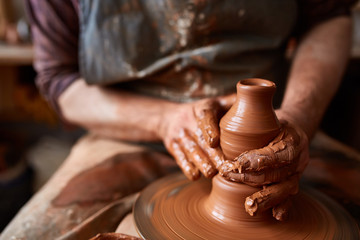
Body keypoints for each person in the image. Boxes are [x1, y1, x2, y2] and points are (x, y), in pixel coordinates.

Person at [1, 0, 355, 239]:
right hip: (127, 129)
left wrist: (300, 115)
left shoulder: (289, 125)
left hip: (279, 135)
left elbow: (329, 15)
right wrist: (163, 120)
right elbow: (60, 80)